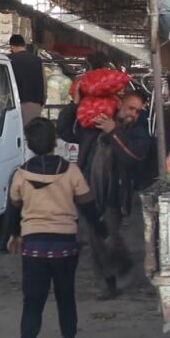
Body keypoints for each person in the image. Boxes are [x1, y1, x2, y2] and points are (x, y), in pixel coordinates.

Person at [5, 118, 108, 338]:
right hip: (64, 244)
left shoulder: (19, 175)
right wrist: (102, 232)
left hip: (33, 246)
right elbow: (88, 206)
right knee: (65, 294)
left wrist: (13, 234)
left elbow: (12, 210)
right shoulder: (71, 172)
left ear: (29, 144)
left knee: (33, 299)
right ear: (55, 142)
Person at [57, 88, 153, 299]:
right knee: (95, 237)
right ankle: (115, 276)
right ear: (119, 104)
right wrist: (75, 104)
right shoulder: (94, 125)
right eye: (130, 108)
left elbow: (132, 156)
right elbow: (63, 130)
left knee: (107, 234)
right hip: (87, 191)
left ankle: (116, 276)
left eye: (137, 111)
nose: (132, 114)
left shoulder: (137, 132)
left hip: (115, 195)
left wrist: (114, 133)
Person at [9, 35, 46, 125]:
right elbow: (44, 82)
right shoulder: (37, 60)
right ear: (24, 45)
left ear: (12, 46)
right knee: (31, 132)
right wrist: (42, 101)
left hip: (14, 103)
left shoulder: (9, 59)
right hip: (35, 103)